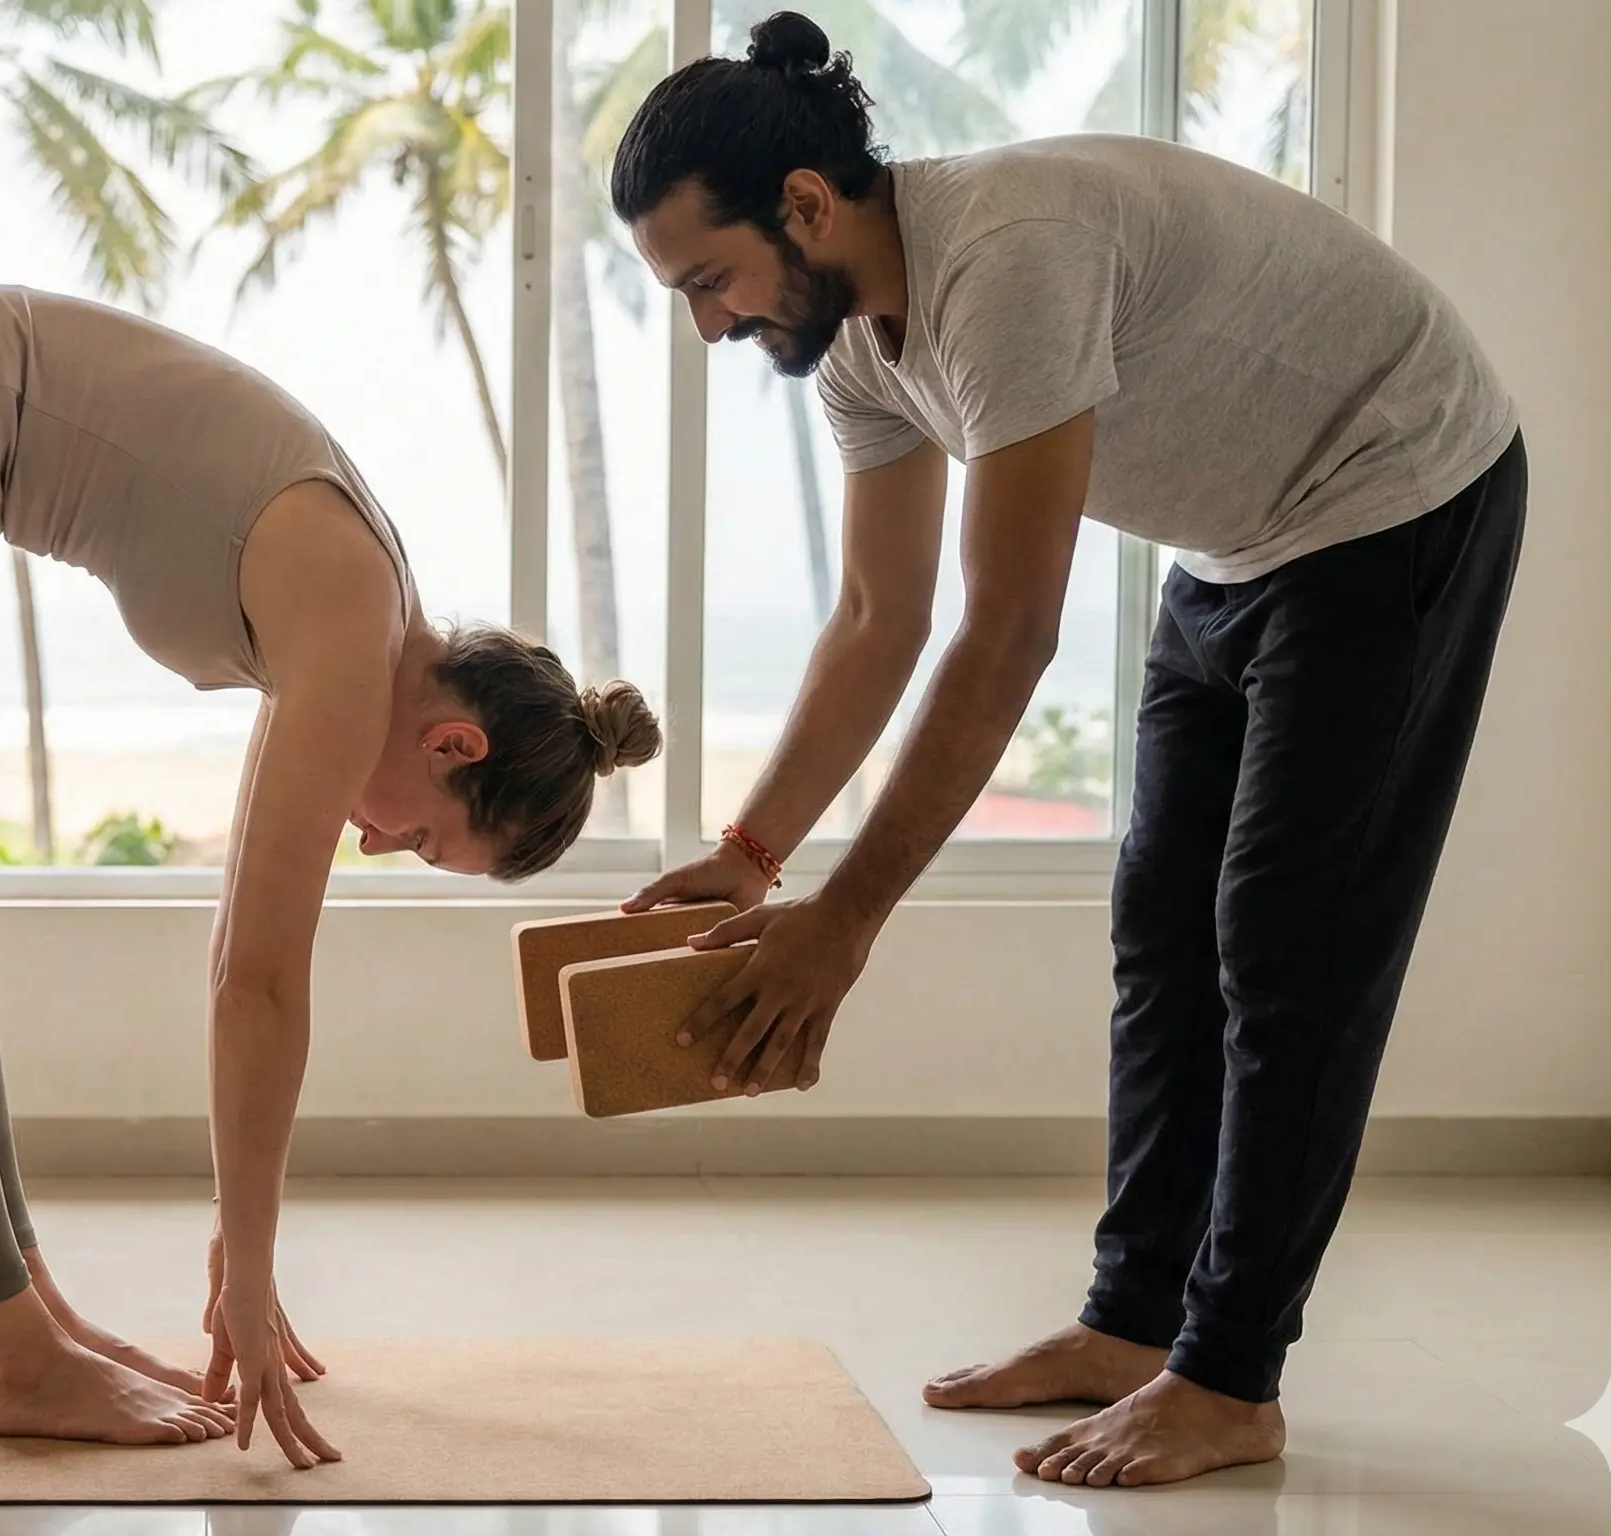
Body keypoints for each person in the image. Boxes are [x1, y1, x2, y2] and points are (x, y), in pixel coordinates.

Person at [607, 9, 1525, 1490]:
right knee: (1161, 931)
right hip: (1234, 549)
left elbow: (1004, 633)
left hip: (1397, 490)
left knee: (1288, 949)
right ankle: (1132, 1319)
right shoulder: (860, 350)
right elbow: (872, 615)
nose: (710, 327)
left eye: (709, 282)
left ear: (807, 206)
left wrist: (847, 922)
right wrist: (751, 855)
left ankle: (1230, 1380)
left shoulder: (1004, 259)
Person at [0, 276, 661, 1465]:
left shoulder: (362, 604)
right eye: (420, 837)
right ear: (452, 745)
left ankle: (28, 1313)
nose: (378, 846)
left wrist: (238, 1237)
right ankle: (6, 1358)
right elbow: (255, 980)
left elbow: (237, 953)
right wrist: (251, 1276)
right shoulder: (350, 614)